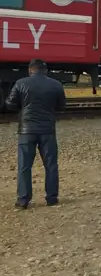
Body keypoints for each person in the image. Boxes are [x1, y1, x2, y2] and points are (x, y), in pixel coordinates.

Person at [5, 59, 66, 209]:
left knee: (24, 166)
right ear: (45, 70)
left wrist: (22, 107)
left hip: (26, 131)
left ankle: (23, 200)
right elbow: (61, 106)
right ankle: (52, 198)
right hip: (47, 131)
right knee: (51, 165)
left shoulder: (21, 83)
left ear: (30, 70)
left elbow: (10, 104)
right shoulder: (56, 84)